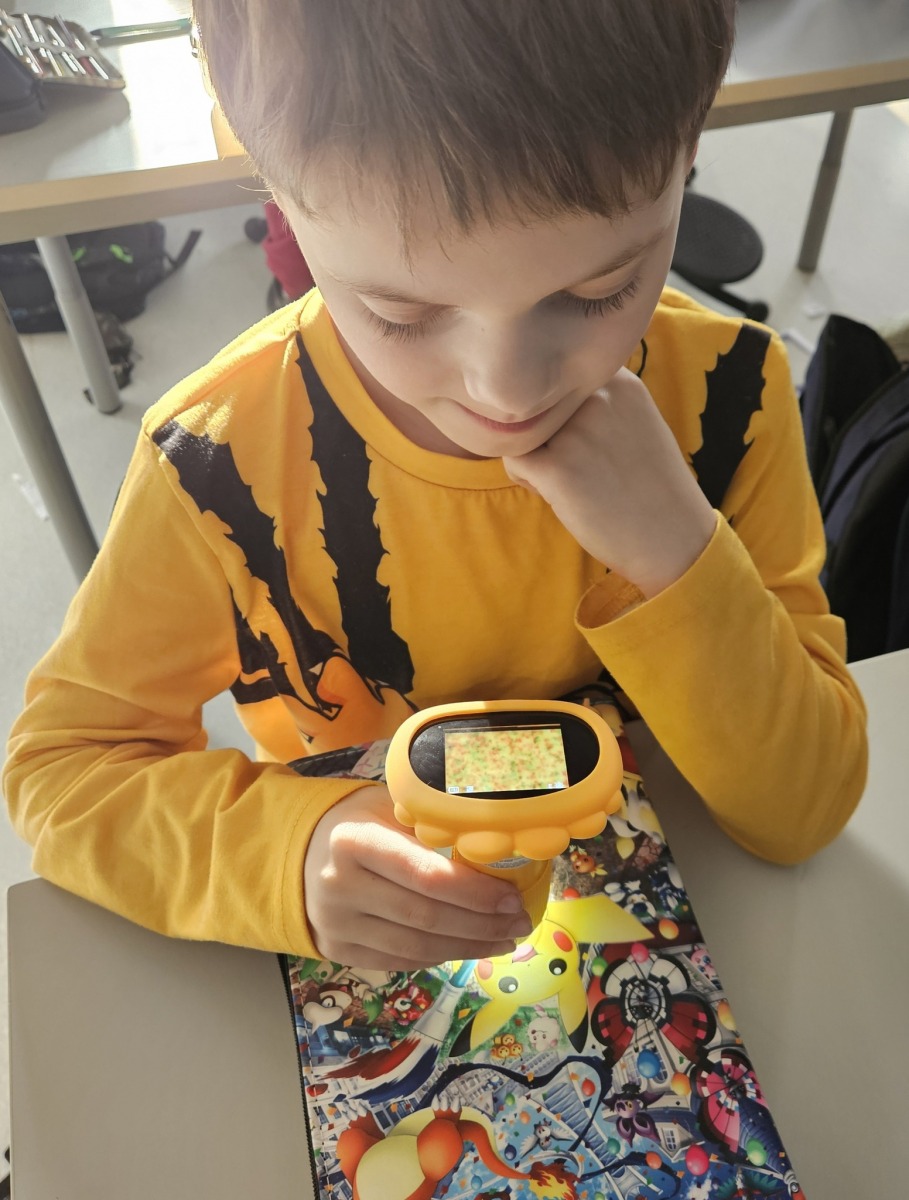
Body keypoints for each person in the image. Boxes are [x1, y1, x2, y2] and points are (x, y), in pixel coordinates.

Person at [3, 1, 867, 973]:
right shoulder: (216, 466)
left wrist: (678, 550)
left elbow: (804, 808)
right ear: (267, 183)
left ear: (689, 148)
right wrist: (288, 854)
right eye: (401, 312)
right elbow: (62, 772)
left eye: (598, 290)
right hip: (377, 935)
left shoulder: (729, 397)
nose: (508, 392)